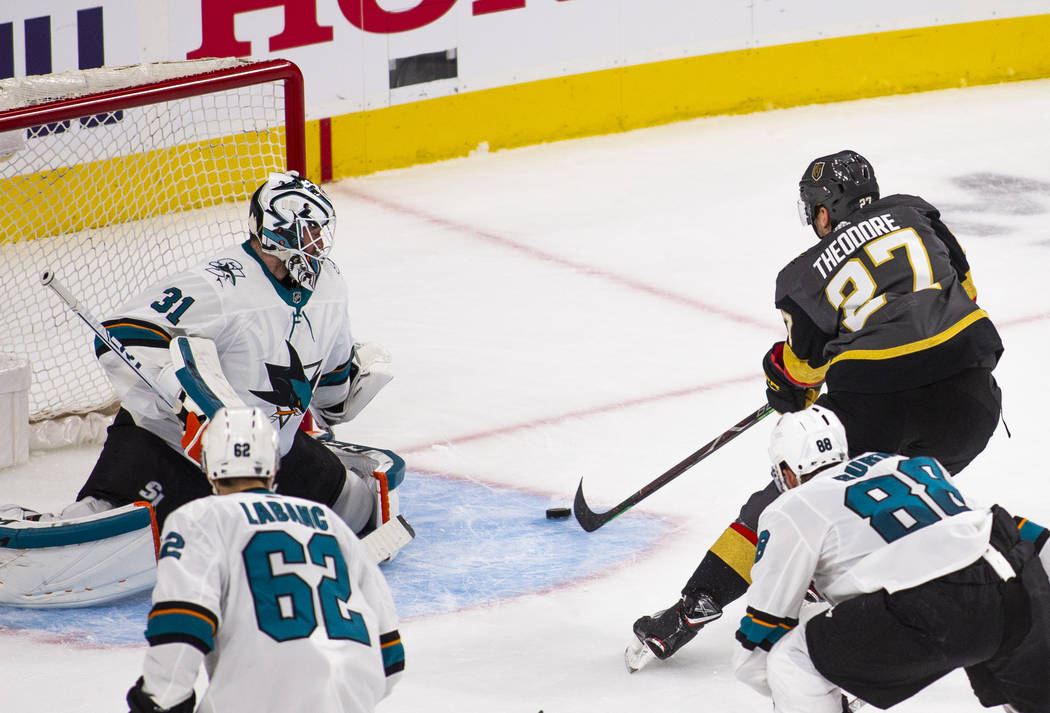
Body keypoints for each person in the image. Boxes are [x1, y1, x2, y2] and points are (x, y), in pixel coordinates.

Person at [629, 150, 1005, 670]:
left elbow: (802, 373)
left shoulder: (802, 275)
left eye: (814, 209)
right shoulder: (917, 212)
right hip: (970, 404)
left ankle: (691, 608)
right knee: (905, 493)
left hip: (874, 405)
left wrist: (782, 382)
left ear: (826, 211)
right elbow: (964, 291)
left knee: (789, 500)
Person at [0, 170, 405, 607]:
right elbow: (123, 338)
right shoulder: (219, 282)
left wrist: (342, 393)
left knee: (361, 508)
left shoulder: (329, 284)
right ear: (272, 230)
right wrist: (187, 396)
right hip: (172, 447)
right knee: (91, 542)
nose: (316, 243)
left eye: (320, 231)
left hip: (268, 454)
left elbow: (331, 375)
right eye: (304, 230)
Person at [733, 406, 1049, 713]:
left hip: (939, 609)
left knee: (791, 660)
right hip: (1016, 577)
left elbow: (761, 637)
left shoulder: (791, 505)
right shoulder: (906, 464)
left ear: (787, 472)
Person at [125, 406, 404, 713]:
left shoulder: (199, 519)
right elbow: (390, 658)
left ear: (206, 462)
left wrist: (160, 701)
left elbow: (182, 622)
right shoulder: (331, 522)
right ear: (273, 462)